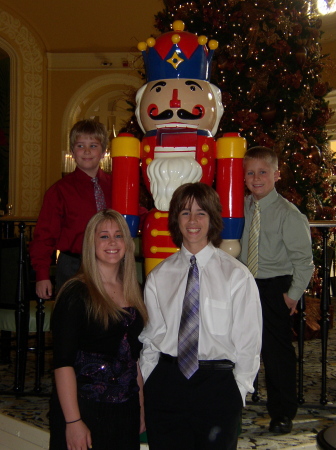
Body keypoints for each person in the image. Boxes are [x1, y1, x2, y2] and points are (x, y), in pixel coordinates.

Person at [139, 182, 262, 450]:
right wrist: (149, 386)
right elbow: (151, 338)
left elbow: (248, 341)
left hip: (216, 386)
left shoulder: (236, 276)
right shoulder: (159, 277)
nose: (192, 220)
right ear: (176, 220)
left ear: (212, 219)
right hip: (167, 384)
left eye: (201, 213)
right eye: (185, 212)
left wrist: (236, 391)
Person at [49, 209, 148, 450]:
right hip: (84, 410)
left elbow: (133, 360)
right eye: (103, 236)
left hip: (125, 411)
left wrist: (141, 412)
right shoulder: (76, 293)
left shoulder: (135, 290)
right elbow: (63, 363)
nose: (112, 242)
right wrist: (73, 421)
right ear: (90, 244)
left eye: (118, 235)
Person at [239, 146, 314, 434]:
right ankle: (233, 402)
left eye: (262, 172)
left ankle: (282, 412)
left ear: (276, 175)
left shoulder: (288, 214)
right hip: (245, 284)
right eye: (250, 172)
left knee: (276, 353)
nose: (256, 178)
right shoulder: (240, 207)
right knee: (237, 344)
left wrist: (291, 296)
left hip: (274, 287)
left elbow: (304, 262)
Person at [29, 119, 112, 299]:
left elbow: (136, 213)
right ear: (72, 152)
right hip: (73, 266)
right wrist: (42, 275)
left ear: (104, 151)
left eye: (93, 145)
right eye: (80, 145)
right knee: (74, 320)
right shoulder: (59, 191)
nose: (87, 151)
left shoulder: (116, 186)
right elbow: (44, 236)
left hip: (112, 263)